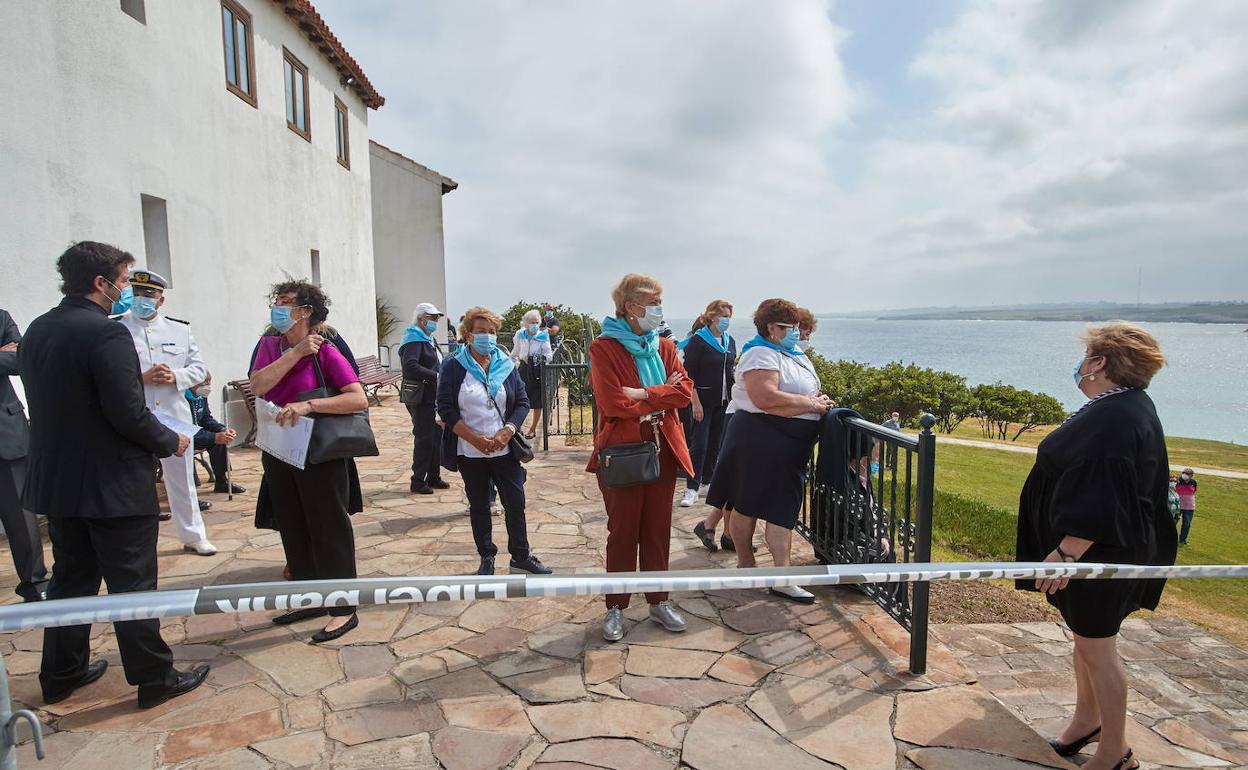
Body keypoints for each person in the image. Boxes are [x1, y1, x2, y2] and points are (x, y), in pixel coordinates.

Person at [20, 241, 209, 708]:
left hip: (60, 481)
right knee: (133, 583)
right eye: (124, 281)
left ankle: (61, 673)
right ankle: (154, 678)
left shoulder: (39, 329)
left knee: (71, 580)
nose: (127, 290)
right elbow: (126, 412)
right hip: (111, 484)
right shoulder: (106, 335)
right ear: (101, 283)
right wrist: (172, 441)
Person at [1016, 322, 1173, 770]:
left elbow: (1102, 490)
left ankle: (1115, 752)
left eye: (1087, 356)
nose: (1080, 364)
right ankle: (1087, 721)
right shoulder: (1121, 406)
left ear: (1100, 362)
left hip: (1100, 552)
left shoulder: (1116, 417)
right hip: (1103, 549)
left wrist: (1066, 552)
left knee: (1099, 647)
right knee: (1086, 641)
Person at [249, 279, 368, 643]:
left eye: (286, 302)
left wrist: (309, 405)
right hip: (281, 449)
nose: (278, 307)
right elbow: (257, 385)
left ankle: (343, 607)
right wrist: (295, 352)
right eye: (277, 301)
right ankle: (310, 596)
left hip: (319, 452)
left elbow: (357, 399)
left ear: (306, 311)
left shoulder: (327, 351)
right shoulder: (270, 346)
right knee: (293, 522)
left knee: (328, 526)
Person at [706, 298, 834, 604]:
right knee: (750, 505)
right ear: (770, 328)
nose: (793, 332)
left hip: (785, 442)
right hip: (762, 437)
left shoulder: (791, 352)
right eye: (786, 327)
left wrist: (815, 397)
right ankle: (754, 567)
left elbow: (797, 389)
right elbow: (765, 397)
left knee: (779, 507)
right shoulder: (760, 354)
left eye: (795, 327)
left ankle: (773, 574)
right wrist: (812, 404)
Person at [588, 274, 694, 642]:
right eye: (652, 302)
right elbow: (612, 402)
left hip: (662, 447)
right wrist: (655, 397)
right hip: (624, 451)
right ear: (630, 307)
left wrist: (644, 393)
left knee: (657, 530)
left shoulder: (664, 346)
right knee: (623, 531)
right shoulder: (604, 348)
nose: (658, 309)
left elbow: (684, 392)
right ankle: (615, 606)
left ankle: (658, 600)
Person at [437, 307, 550, 576]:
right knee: (479, 505)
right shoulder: (453, 366)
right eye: (481, 332)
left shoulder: (506, 365)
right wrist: (474, 438)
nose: (487, 336)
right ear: (467, 335)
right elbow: (446, 408)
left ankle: (521, 556)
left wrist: (507, 431)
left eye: (491, 332)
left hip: (504, 448)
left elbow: (521, 402)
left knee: (515, 502)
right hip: (469, 449)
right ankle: (486, 556)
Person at [116, 269, 217, 556]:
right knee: (134, 481)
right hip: (135, 415)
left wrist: (175, 376)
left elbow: (199, 369)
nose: (142, 299)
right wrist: (141, 377)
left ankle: (193, 535)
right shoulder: (116, 328)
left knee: (182, 479)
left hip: (173, 415)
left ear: (161, 299)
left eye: (149, 294)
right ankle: (135, 544)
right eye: (137, 293)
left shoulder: (180, 330)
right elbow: (108, 373)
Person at [0, 308, 48, 603]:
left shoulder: (1, 317)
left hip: (6, 433)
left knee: (21, 515)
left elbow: (20, 359)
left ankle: (34, 580)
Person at [680, 300, 737, 514]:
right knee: (699, 444)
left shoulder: (729, 341)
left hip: (723, 400)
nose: (726, 320)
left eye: (729, 316)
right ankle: (691, 487)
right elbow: (689, 375)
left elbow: (731, 367)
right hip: (702, 401)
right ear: (712, 316)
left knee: (716, 443)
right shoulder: (698, 341)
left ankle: (707, 481)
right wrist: (695, 402)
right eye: (723, 316)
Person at [400, 302, 450, 495]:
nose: (435, 322)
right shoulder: (413, 339)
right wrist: (435, 376)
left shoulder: (428, 338)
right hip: (421, 397)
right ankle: (418, 480)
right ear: (421, 319)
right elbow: (410, 366)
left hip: (432, 395)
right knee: (424, 438)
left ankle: (434, 476)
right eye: (432, 318)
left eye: (437, 318)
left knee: (435, 437)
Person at [185, 373, 245, 494]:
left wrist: (222, 429)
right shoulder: (182, 398)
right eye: (204, 382)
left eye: (209, 382)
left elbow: (206, 418)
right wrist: (213, 437)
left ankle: (221, 481)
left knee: (220, 437)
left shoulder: (201, 397)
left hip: (198, 433)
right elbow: (185, 428)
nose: (208, 385)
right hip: (186, 435)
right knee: (215, 438)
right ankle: (190, 492)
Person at [511, 309, 553, 440]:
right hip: (523, 369)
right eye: (531, 322)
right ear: (525, 323)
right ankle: (518, 427)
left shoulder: (542, 336)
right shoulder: (520, 334)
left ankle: (533, 429)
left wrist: (537, 358)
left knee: (536, 401)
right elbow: (515, 352)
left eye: (536, 322)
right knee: (519, 399)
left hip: (537, 370)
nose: (534, 324)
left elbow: (549, 355)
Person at [1174, 468, 1197, 545]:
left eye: (1187, 474)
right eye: (1183, 473)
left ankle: (1182, 540)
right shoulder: (1178, 480)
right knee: (1174, 521)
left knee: (1187, 523)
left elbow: (1194, 491)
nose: (1184, 475)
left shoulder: (1193, 482)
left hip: (1189, 506)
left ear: (1191, 475)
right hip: (1178, 505)